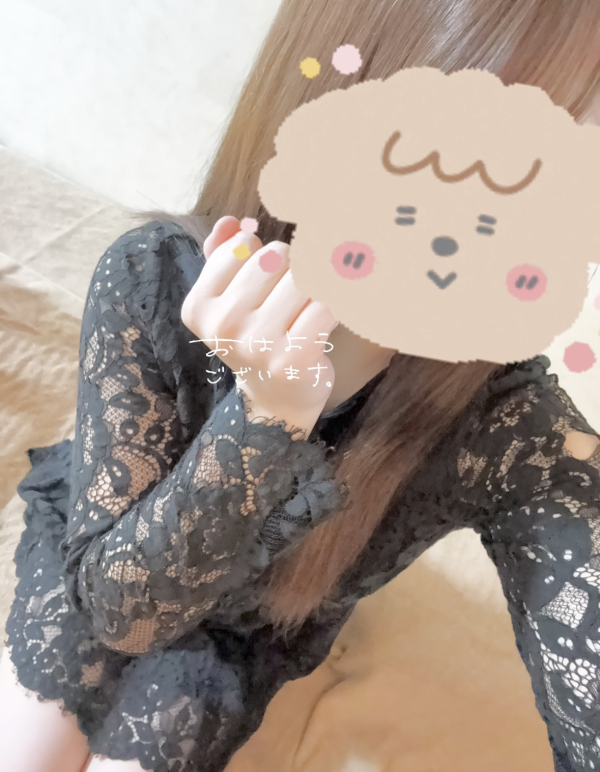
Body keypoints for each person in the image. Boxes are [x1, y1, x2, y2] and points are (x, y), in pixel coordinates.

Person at [1, 0, 600, 770]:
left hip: (242, 632)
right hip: (114, 549)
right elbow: (120, 611)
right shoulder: (155, 275)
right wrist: (268, 412)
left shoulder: (510, 427)